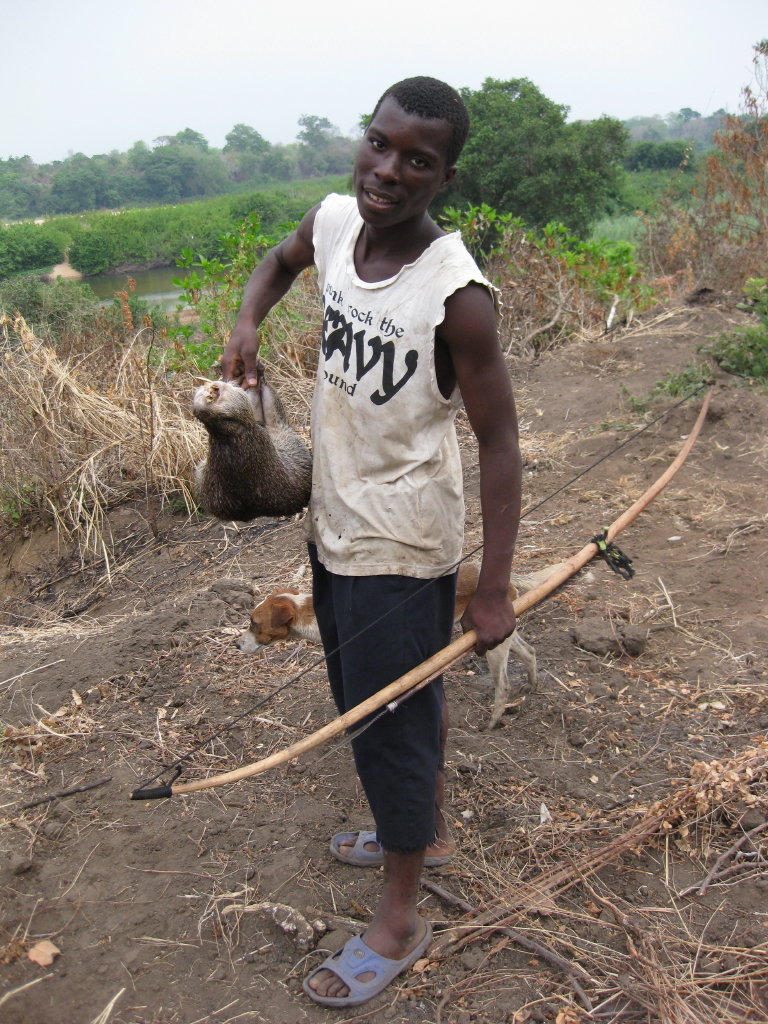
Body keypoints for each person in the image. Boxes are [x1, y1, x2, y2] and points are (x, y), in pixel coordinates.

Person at [222, 76, 522, 1008]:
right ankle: (415, 825)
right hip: (335, 515)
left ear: (446, 176)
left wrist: (496, 588)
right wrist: (245, 323)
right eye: (380, 144)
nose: (388, 170)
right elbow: (276, 263)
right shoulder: (332, 225)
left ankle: (399, 913)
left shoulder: (457, 296)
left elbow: (502, 443)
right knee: (368, 699)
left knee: (387, 725)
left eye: (417, 160)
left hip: (403, 538)